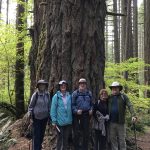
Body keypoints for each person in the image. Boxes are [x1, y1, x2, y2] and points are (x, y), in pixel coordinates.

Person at [108, 81, 137, 150]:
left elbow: (130, 105)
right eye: (113, 88)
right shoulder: (109, 97)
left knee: (122, 140)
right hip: (111, 122)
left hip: (121, 123)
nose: (114, 89)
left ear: (119, 88)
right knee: (113, 139)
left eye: (116, 88)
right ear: (111, 89)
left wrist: (134, 115)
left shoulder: (123, 97)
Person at [28, 79, 50, 150]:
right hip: (36, 118)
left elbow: (49, 105)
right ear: (38, 86)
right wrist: (30, 117)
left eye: (43, 84)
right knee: (36, 136)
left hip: (45, 118)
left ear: (45, 86)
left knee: (41, 135)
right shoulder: (35, 94)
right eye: (40, 85)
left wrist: (49, 115)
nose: (42, 86)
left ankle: (39, 147)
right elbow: (30, 107)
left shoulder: (47, 94)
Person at [50, 80, 72, 150]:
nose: (63, 86)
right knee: (59, 139)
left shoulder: (69, 96)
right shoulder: (56, 97)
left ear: (66, 86)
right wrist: (53, 121)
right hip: (59, 122)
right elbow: (53, 109)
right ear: (59, 87)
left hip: (68, 122)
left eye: (64, 85)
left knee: (66, 139)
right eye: (61, 85)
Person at [72, 78, 93, 150]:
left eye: (84, 83)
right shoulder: (75, 93)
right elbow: (72, 105)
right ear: (79, 84)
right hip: (77, 116)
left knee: (86, 133)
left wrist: (91, 109)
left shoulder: (89, 93)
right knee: (76, 133)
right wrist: (76, 111)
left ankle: (85, 148)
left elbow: (91, 104)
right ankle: (76, 148)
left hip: (86, 115)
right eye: (81, 83)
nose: (82, 84)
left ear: (86, 84)